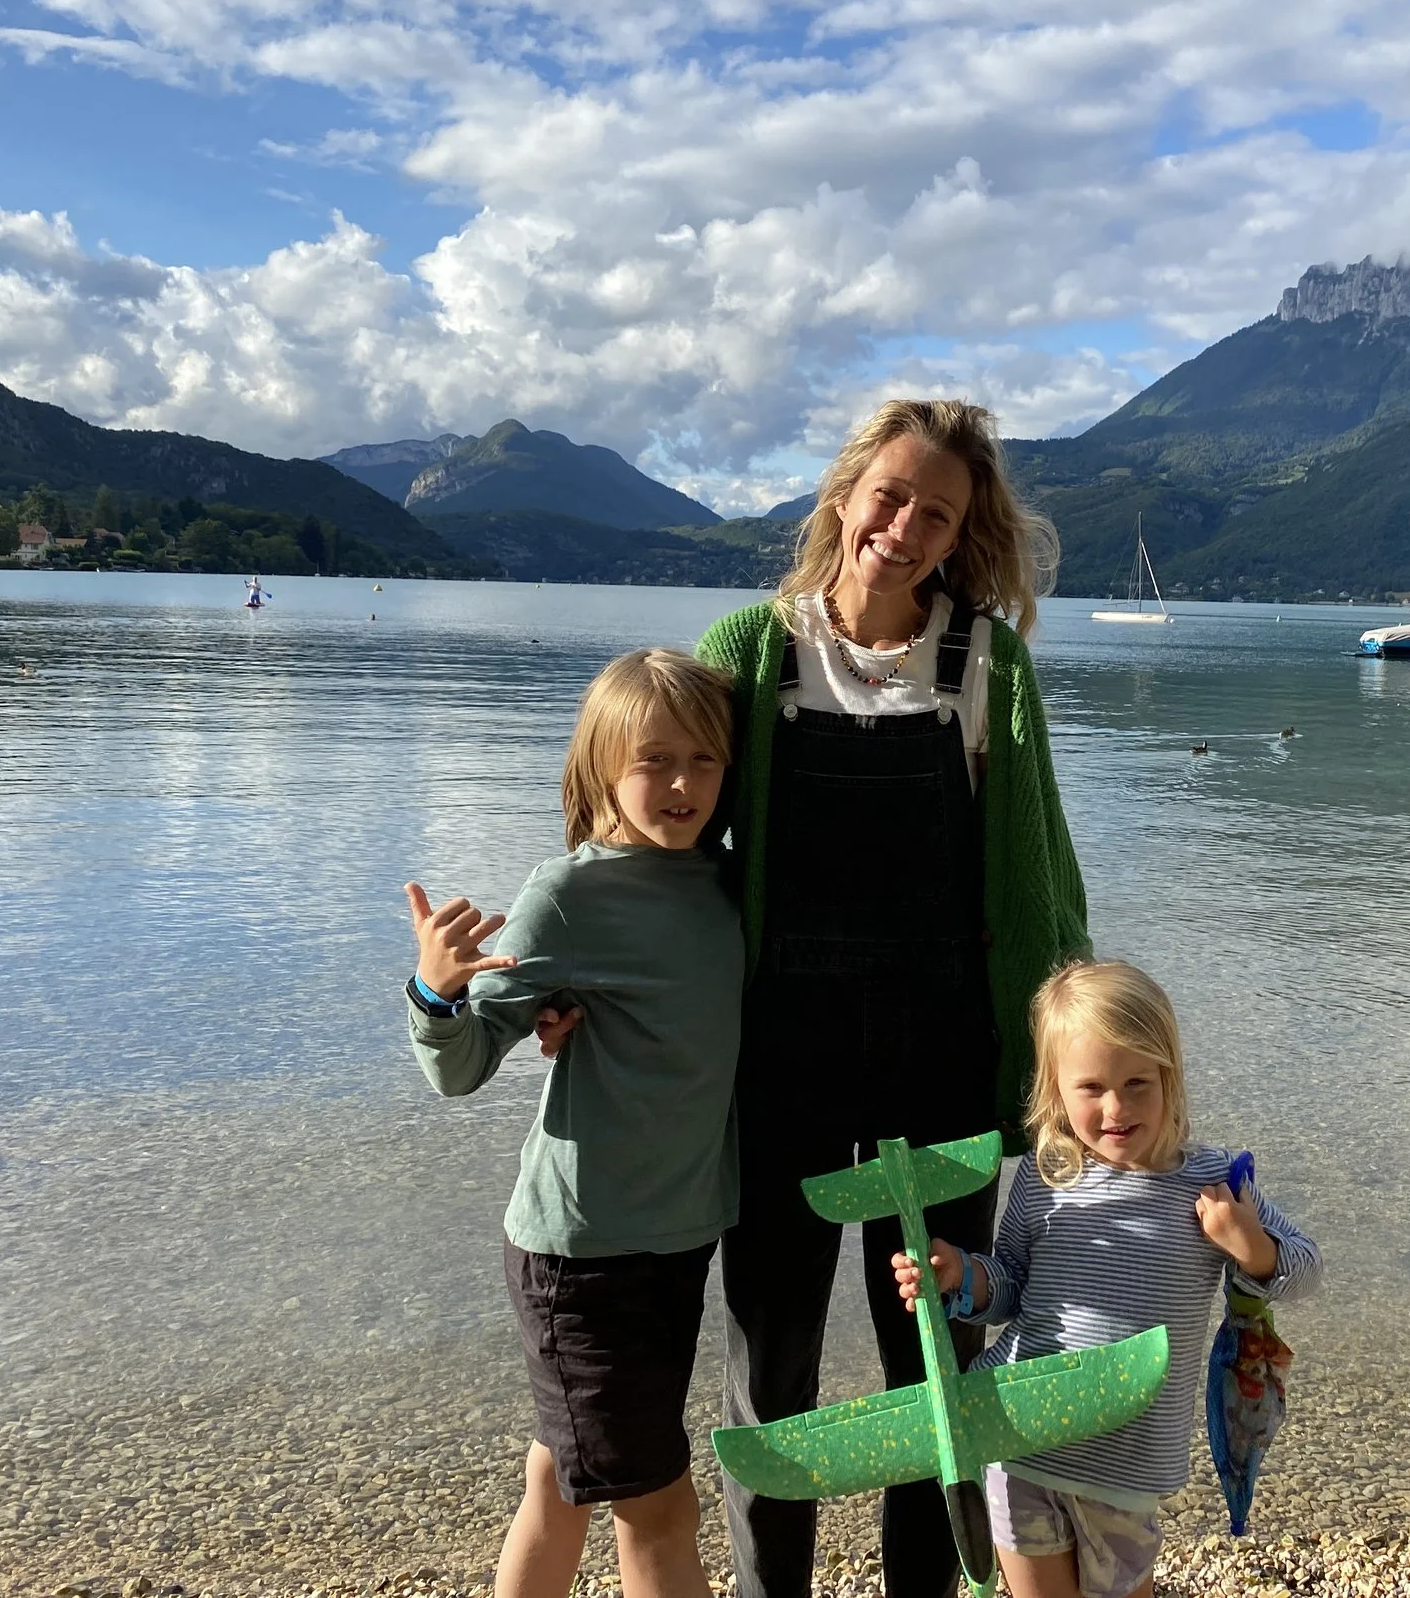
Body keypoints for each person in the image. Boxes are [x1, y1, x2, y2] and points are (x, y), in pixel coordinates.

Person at [695, 398, 1090, 1598]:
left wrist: (1066, 1058)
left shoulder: (984, 663)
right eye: (890, 497)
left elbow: (1036, 871)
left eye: (939, 512)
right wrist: (584, 988)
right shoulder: (750, 654)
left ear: (964, 533)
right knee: (774, 1376)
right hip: (782, 1062)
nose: (906, 526)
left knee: (940, 1364)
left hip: (942, 1056)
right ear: (842, 496)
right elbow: (652, 837)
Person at [404, 647, 744, 1598]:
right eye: (654, 760)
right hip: (581, 1256)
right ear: (602, 767)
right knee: (661, 1510)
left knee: (561, 1478)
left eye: (704, 760)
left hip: (676, 1243)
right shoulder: (566, 896)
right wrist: (436, 990)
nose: (681, 784)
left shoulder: (724, 884)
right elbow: (465, 1065)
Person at [890, 962, 1319, 1598]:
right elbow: (1009, 1286)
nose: (1115, 1108)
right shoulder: (1046, 1177)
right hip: (1020, 1441)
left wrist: (1250, 1246)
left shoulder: (1213, 1181)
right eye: (1090, 1087)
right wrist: (961, 1277)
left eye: (1137, 1083)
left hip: (1126, 1465)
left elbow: (1306, 1269)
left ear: (1170, 1077)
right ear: (1055, 1090)